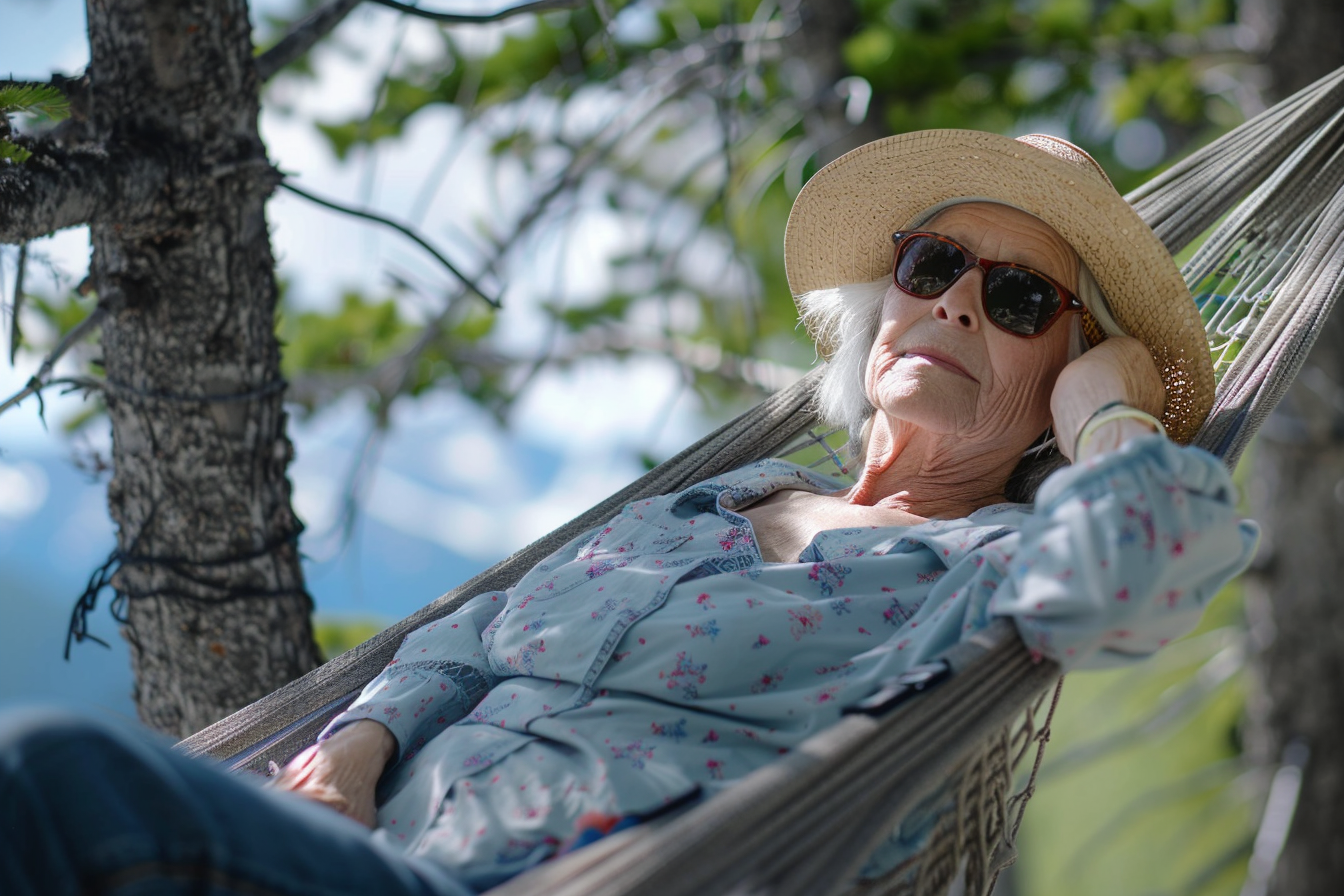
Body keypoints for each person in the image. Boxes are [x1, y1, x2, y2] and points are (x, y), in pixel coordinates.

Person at [0, 130, 1258, 896]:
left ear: (1057, 379)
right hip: (338, 838)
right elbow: (465, 637)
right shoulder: (714, 499)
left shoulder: (996, 564)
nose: (961, 306)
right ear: (885, 306)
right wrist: (360, 747)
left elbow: (1140, 577)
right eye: (934, 267)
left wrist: (1111, 411)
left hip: (530, 874)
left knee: (45, 774)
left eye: (1025, 300)